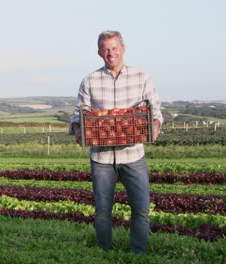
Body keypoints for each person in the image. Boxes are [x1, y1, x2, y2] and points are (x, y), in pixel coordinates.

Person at [70, 30, 163, 254]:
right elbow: (79, 113)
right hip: (101, 157)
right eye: (105, 49)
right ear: (99, 52)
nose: (110, 53)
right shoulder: (90, 80)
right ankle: (104, 251)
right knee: (102, 210)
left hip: (133, 155)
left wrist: (155, 126)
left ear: (123, 49)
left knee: (140, 209)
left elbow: (155, 110)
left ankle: (138, 254)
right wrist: (78, 130)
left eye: (114, 48)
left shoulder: (142, 77)